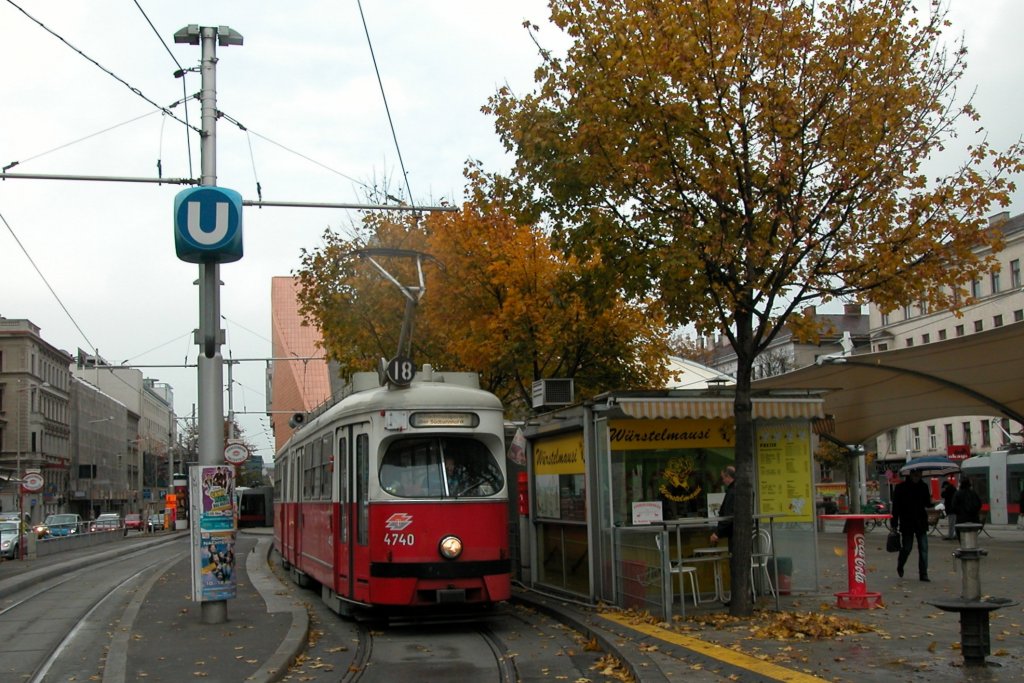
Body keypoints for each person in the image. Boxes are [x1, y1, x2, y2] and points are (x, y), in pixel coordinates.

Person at [891, 469, 934, 581]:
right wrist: (894, 523)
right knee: (907, 548)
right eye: (915, 475)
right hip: (907, 522)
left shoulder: (923, 487)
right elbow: (896, 508)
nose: (917, 477)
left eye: (919, 475)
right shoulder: (901, 488)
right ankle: (901, 564)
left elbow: (927, 503)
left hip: (920, 522)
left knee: (924, 548)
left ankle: (923, 573)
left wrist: (931, 501)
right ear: (910, 475)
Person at [709, 466, 736, 550]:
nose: (723, 481)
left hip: (734, 532)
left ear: (728, 477)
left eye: (723, 478)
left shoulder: (732, 491)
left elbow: (729, 515)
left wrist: (718, 533)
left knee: (734, 556)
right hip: (736, 531)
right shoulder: (737, 489)